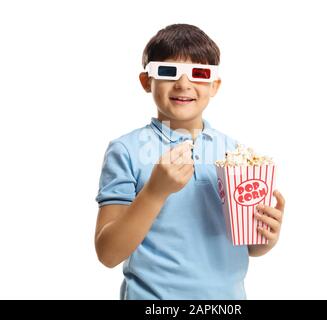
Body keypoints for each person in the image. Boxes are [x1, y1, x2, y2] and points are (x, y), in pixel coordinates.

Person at [94, 23, 285, 299]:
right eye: (168, 72)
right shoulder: (126, 150)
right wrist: (155, 191)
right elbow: (108, 253)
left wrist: (266, 236)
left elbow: (249, 246)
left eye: (199, 74)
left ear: (214, 85)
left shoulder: (236, 153)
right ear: (147, 81)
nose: (184, 84)